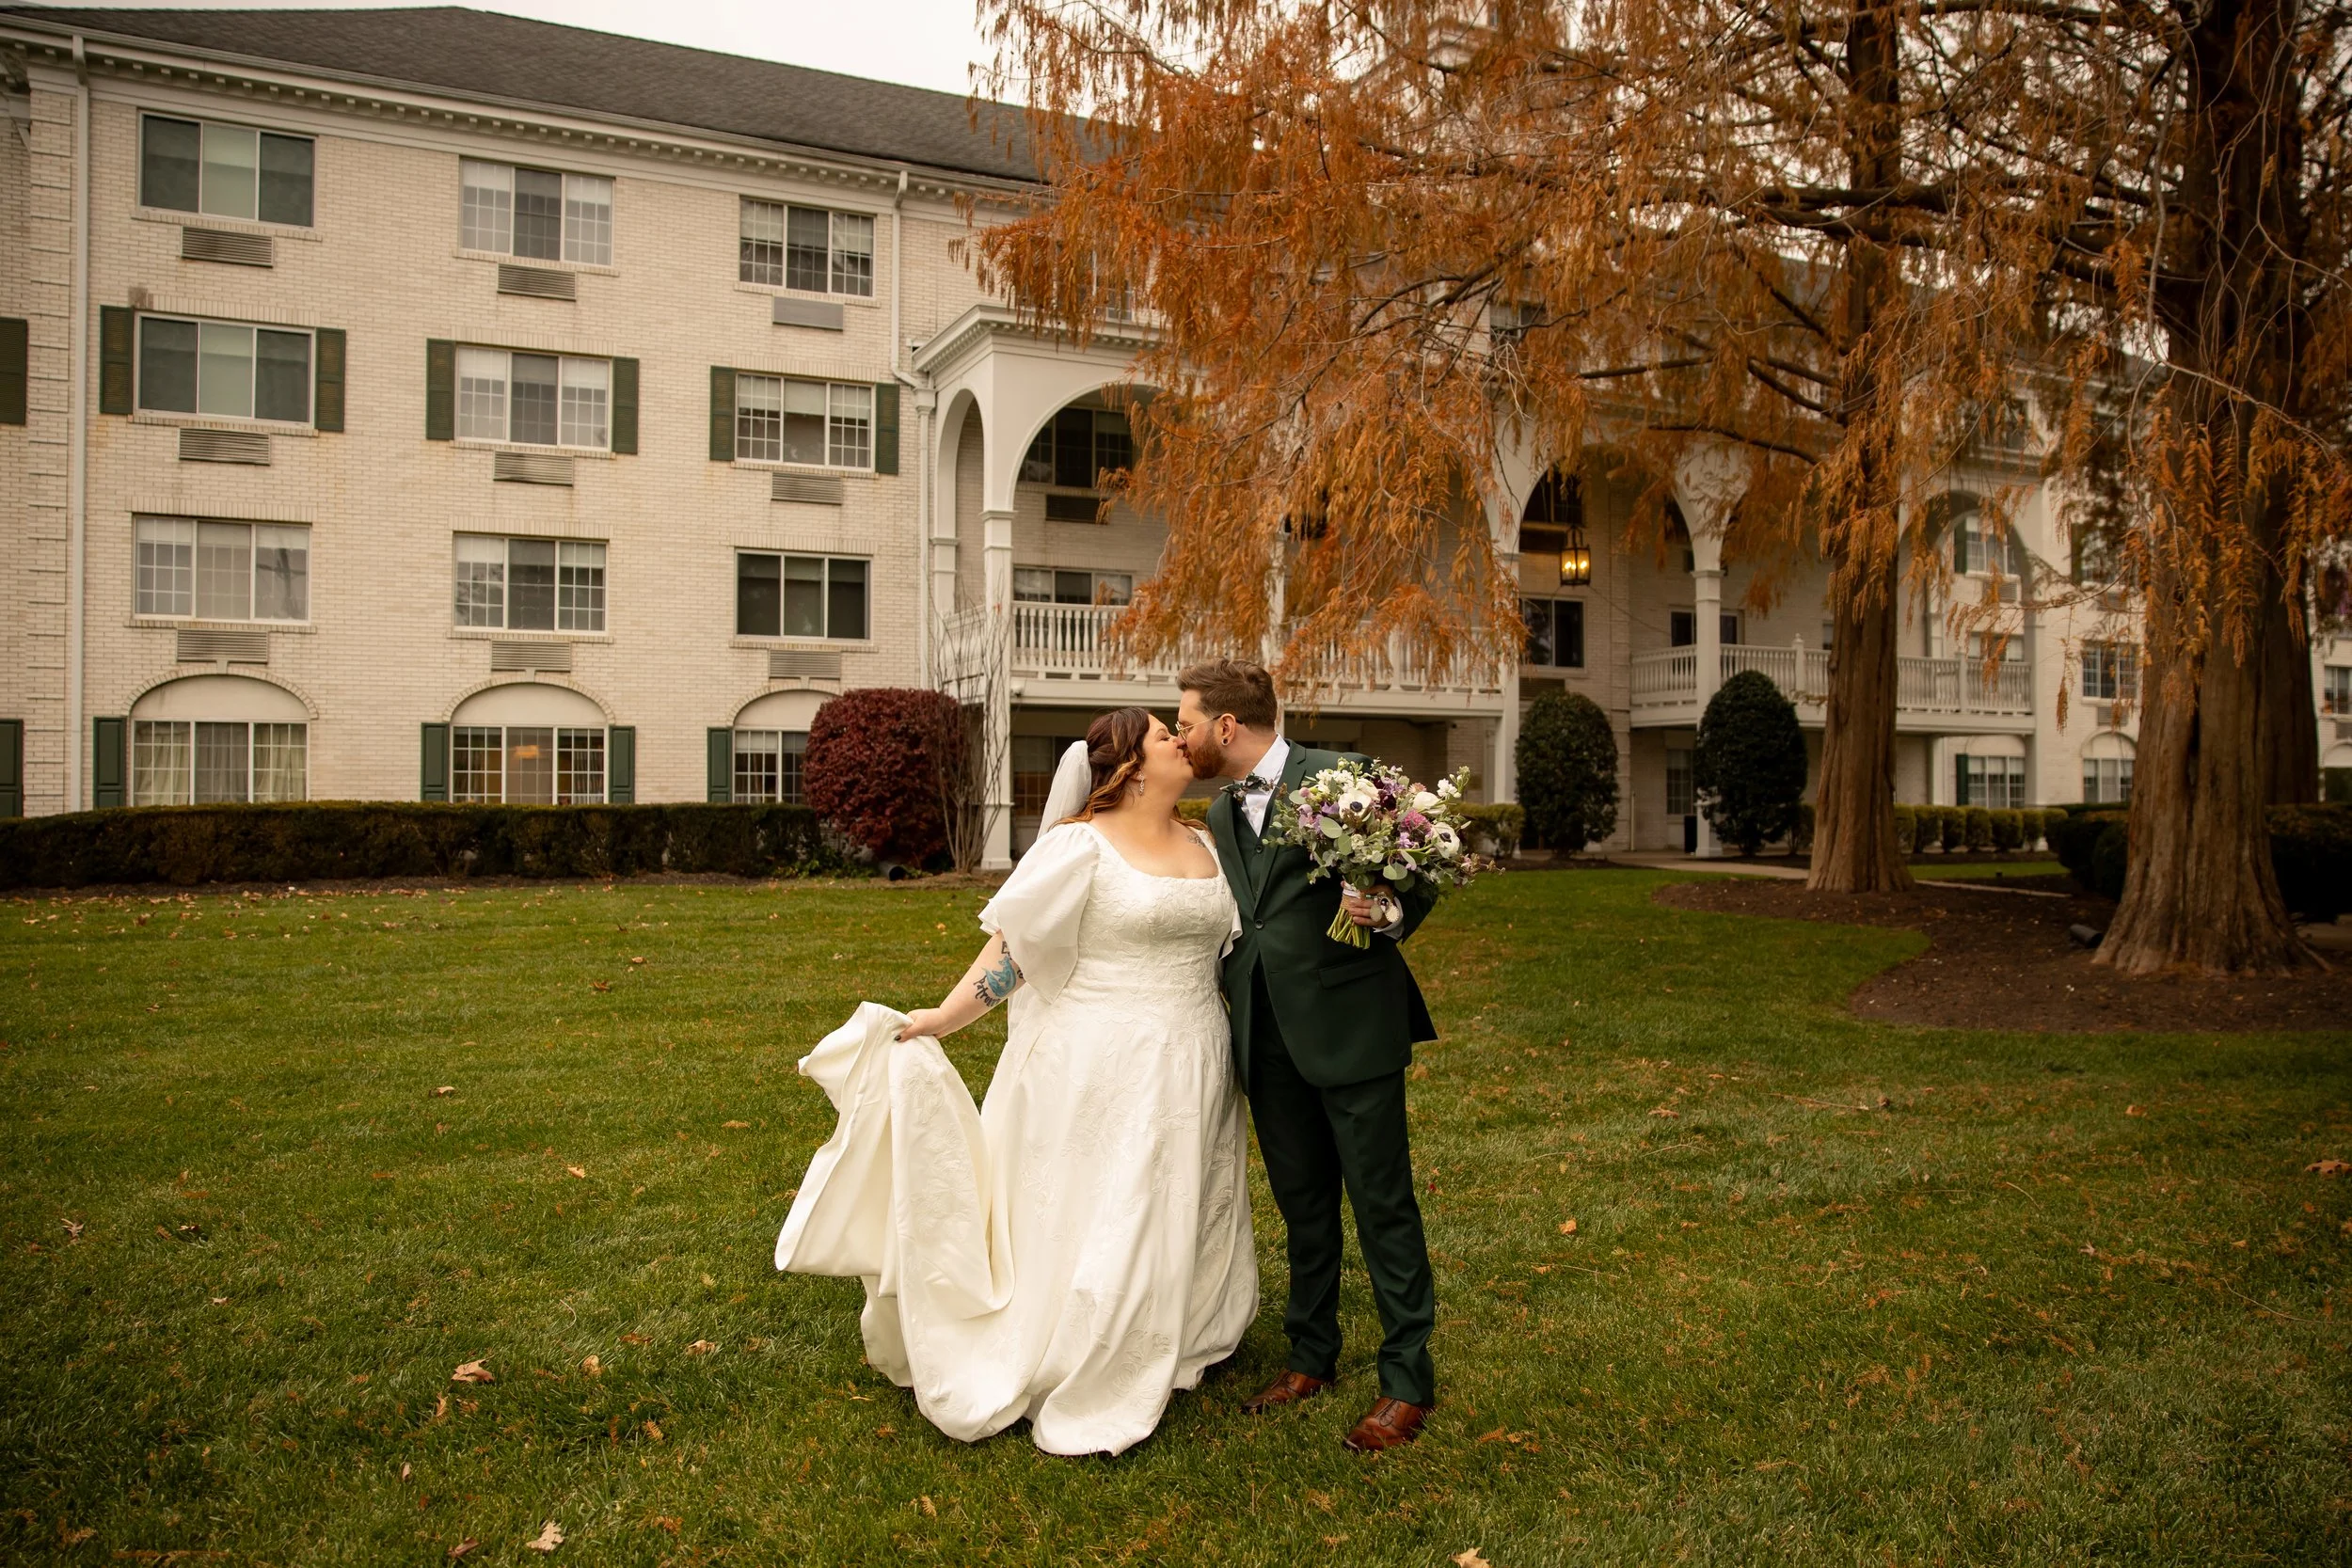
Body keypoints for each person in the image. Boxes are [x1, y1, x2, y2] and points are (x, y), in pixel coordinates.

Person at [774, 706, 1256, 1457]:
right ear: (1129, 764)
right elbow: (1018, 950)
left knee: (1181, 1189)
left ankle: (1181, 1322)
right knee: (1112, 1200)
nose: (1181, 740)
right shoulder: (1078, 847)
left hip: (1194, 1051)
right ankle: (1081, 1342)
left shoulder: (1207, 842)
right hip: (1100, 1058)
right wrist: (943, 1016)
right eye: (1165, 734)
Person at [1175, 658, 1441, 1451]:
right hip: (1262, 1030)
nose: (1180, 734)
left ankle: (1406, 1380)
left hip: (1352, 1025)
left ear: (1227, 726)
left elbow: (1418, 869)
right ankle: (1311, 1355)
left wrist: (1386, 906)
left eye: (1186, 720)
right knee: (1303, 1206)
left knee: (1382, 1202)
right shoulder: (1222, 813)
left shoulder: (1345, 776)